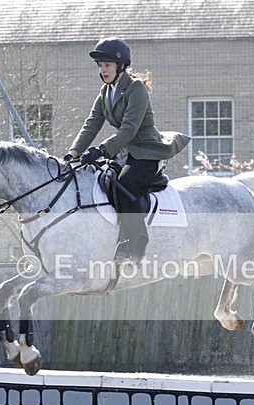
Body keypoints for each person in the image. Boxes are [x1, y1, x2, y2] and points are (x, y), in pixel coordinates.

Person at [66, 37, 190, 263]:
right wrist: (73, 153)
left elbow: (129, 129)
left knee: (125, 184)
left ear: (120, 65)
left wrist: (101, 150)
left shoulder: (136, 88)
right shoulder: (105, 92)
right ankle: (118, 239)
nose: (103, 70)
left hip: (146, 151)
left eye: (107, 65)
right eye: (101, 66)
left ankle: (136, 242)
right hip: (124, 152)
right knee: (104, 181)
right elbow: (91, 123)